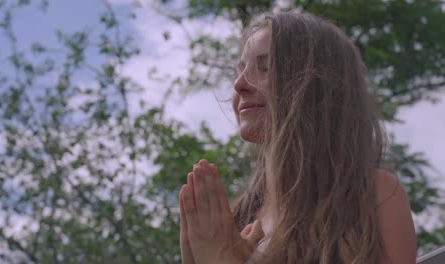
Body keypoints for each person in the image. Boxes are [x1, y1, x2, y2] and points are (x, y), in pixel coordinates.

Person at [178, 10, 417, 264]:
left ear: (317, 86)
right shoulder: (236, 220)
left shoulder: (373, 194)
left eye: (265, 67)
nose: (239, 84)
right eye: (241, 69)